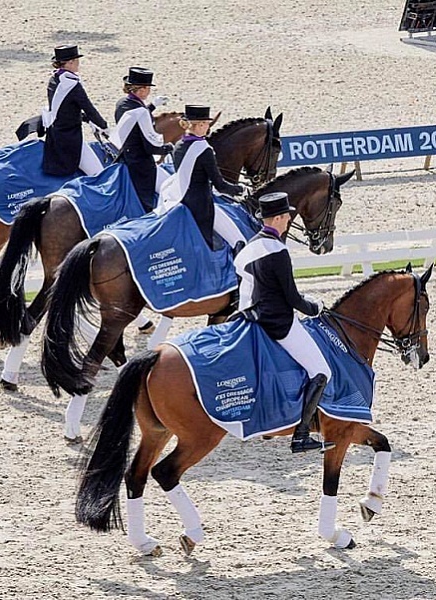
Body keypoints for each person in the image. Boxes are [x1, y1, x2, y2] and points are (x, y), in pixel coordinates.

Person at [234, 192, 335, 454]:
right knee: (322, 371)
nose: (290, 218)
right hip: (278, 323)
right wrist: (315, 308)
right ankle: (300, 436)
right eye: (287, 215)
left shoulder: (250, 246)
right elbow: (291, 297)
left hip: (251, 318)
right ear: (277, 218)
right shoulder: (278, 251)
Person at [160, 105, 246, 251]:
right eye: (206, 123)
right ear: (199, 125)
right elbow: (220, 185)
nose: (208, 127)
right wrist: (240, 189)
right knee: (237, 239)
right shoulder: (204, 150)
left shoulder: (179, 145)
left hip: (178, 198)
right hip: (200, 205)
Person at [109, 67, 174, 212]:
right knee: (151, 199)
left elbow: (134, 120)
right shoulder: (142, 112)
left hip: (125, 156)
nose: (149, 91)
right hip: (140, 163)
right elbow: (150, 146)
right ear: (143, 90)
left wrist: (152, 106)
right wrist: (168, 148)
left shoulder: (122, 104)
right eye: (148, 88)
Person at [42, 44, 108, 177]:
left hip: (54, 133)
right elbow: (89, 108)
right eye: (77, 61)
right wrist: (104, 126)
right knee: (98, 174)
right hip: (69, 137)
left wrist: (83, 118)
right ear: (70, 62)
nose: (78, 64)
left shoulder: (54, 79)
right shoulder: (72, 85)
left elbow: (64, 108)